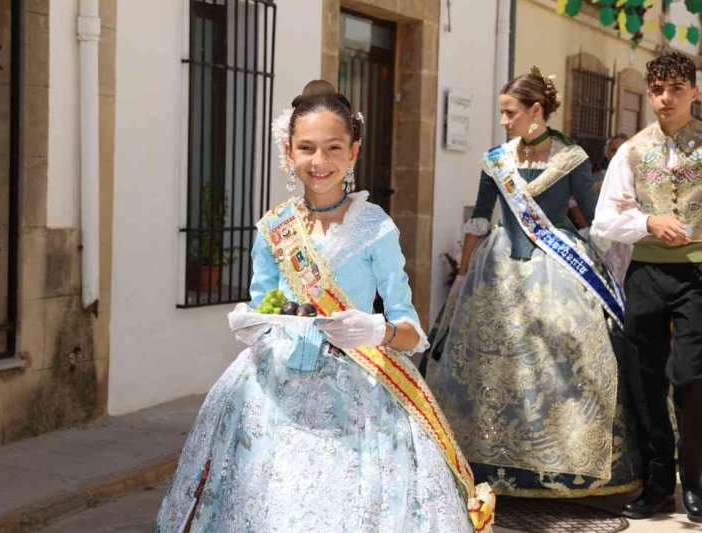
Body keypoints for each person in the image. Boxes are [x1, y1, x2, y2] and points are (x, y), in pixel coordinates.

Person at [154, 80, 494, 533]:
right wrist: (251, 323)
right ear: (288, 152)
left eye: (333, 148)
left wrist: (377, 330)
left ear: (353, 152)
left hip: (363, 386)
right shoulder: (274, 227)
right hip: (274, 388)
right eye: (307, 148)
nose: (319, 162)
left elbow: (410, 329)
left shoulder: (376, 228)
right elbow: (264, 305)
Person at [426, 67, 641, 498]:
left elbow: (596, 216)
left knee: (561, 362)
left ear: (535, 111)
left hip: (556, 269)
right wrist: (463, 277)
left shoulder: (571, 157)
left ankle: (563, 465)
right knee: (488, 364)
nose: (504, 121)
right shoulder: (496, 159)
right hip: (496, 271)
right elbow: (480, 219)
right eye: (503, 113)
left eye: (510, 112)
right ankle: (485, 462)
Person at [591, 51, 702, 523]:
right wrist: (647, 220)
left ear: (695, 92)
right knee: (644, 380)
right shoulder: (631, 150)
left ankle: (694, 483)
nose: (664, 98)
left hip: (698, 275)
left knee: (691, 379)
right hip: (647, 277)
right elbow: (603, 221)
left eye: (676, 88)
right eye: (657, 89)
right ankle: (657, 487)